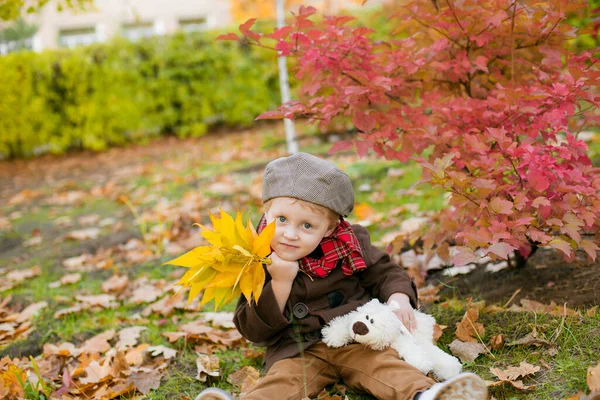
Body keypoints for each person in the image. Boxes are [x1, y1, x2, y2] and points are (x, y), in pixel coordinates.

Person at [196, 153, 487, 400]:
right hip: (298, 349)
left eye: (307, 225)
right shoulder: (255, 258)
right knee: (283, 382)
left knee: (384, 366)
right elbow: (253, 330)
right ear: (266, 211)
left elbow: (385, 272)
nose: (290, 233)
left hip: (355, 337)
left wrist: (399, 298)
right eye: (281, 219)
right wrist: (280, 282)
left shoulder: (349, 246)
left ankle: (425, 394)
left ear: (329, 228)